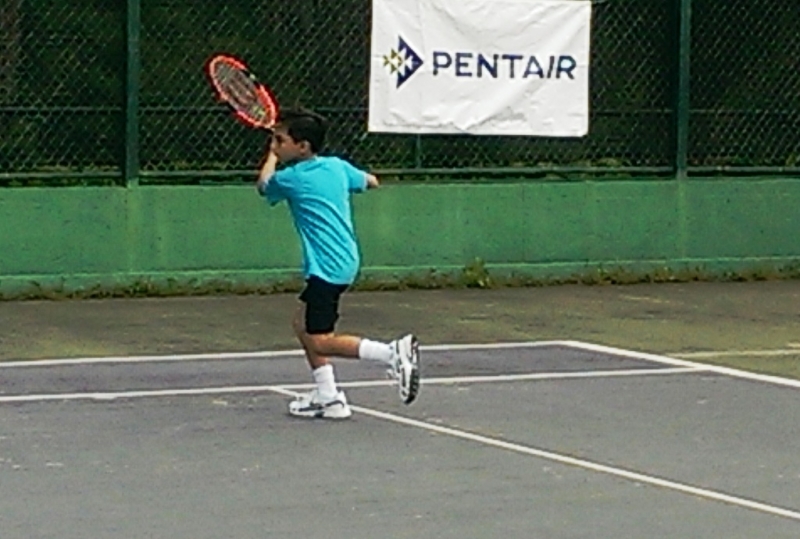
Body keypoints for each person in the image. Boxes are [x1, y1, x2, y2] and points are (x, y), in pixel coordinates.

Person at [255, 107, 420, 419]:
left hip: (327, 268)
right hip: (344, 260)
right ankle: (328, 397)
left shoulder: (292, 178)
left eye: (280, 140)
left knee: (320, 342)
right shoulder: (336, 167)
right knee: (302, 324)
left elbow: (264, 185)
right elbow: (372, 181)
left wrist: (271, 157)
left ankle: (391, 353)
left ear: (302, 147)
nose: (275, 145)